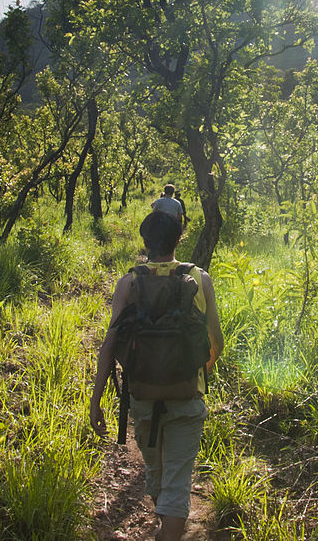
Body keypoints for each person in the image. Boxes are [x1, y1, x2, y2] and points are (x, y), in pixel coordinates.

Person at [90, 212, 224, 541]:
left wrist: (96, 401)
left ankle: (162, 521)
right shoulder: (200, 278)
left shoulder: (130, 282)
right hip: (186, 399)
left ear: (145, 241)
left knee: (156, 471)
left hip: (143, 398)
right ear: (179, 239)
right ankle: (170, 528)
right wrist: (196, 374)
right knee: (177, 487)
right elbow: (216, 344)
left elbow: (110, 344)